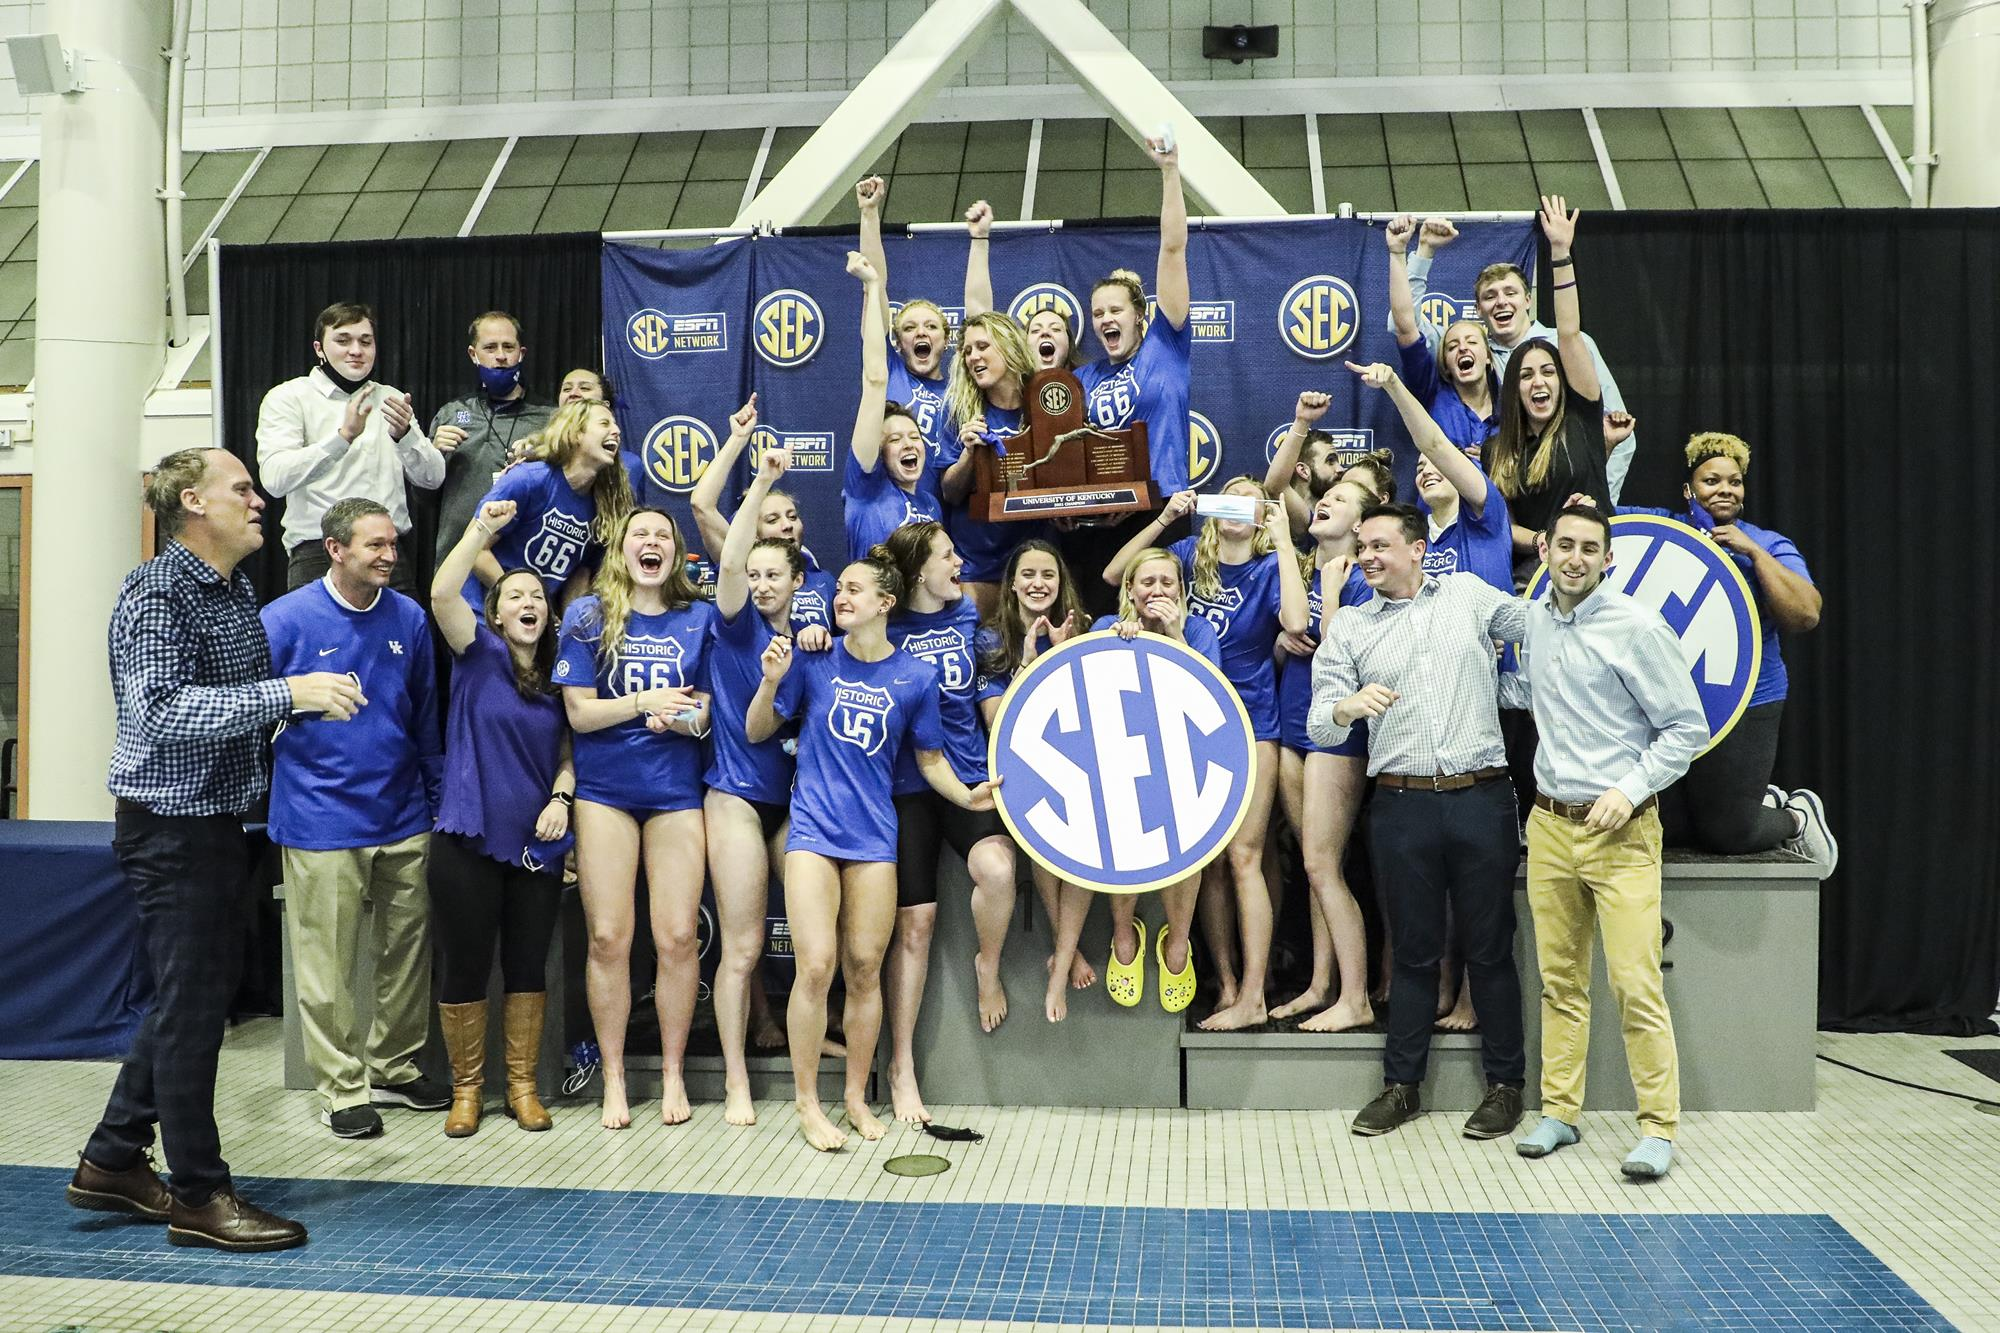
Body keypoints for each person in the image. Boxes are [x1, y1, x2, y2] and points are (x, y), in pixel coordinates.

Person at [67, 449, 346, 1252]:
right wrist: (286, 693)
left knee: (189, 1000)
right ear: (192, 502)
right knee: (192, 1013)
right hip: (169, 829)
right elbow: (159, 712)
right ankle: (198, 1193)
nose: (259, 501)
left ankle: (115, 1157)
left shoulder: (232, 589)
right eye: (242, 489)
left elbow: (225, 708)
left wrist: (287, 715)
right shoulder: (157, 593)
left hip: (221, 825)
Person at [745, 555, 999, 1151]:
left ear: (886, 603)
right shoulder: (812, 657)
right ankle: (808, 1103)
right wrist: (771, 680)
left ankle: (856, 1097)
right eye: (839, 588)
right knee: (815, 966)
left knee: (864, 970)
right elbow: (758, 730)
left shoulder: (914, 677)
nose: (842, 597)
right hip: (812, 833)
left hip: (874, 838)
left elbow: (930, 760)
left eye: (854, 589)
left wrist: (967, 797)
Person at [1308, 502, 1530, 1142]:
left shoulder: (1466, 594)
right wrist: (1348, 707)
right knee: (1412, 952)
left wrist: (1568, 582)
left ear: (1417, 549)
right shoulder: (1350, 626)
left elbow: (1537, 624)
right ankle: (1401, 1087)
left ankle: (1505, 1087)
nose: (1368, 557)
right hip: (1401, 805)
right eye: (1362, 547)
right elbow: (1320, 720)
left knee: (1490, 949)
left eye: (1379, 546)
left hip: (1481, 797)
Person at [1508, 504, 1709, 1179]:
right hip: (1549, 827)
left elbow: (1686, 727)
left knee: (1634, 982)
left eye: (1589, 548)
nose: (1574, 557)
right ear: (1545, 549)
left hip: (1622, 831)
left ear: (1608, 559)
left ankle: (1658, 1128)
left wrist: (1628, 789)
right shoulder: (1534, 618)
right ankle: (1559, 1113)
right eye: (1564, 544)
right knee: (1561, 983)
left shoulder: (1637, 628)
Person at [261, 498, 446, 1139]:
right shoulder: (284, 619)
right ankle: (342, 1089)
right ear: (336, 549)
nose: (389, 556)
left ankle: (394, 1065)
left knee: (407, 952)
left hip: (401, 813)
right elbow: (254, 711)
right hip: (319, 818)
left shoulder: (410, 618)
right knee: (326, 962)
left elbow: (423, 715)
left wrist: (433, 798)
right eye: (375, 546)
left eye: (392, 544)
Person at [1352, 357, 1521, 1028]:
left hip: (1497, 714)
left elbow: (1436, 444)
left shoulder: (1485, 522)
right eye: (1421, 473)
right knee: (1423, 874)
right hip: (1420, 731)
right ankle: (1442, 985)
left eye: (1440, 465)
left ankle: (1477, 995)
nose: (1429, 470)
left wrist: (1394, 386)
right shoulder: (1404, 551)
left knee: (1483, 882)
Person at [1106, 480, 1306, 1029]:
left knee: (1245, 857)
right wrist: (1168, 519)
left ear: (1262, 513)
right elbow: (1115, 575)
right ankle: (1226, 981)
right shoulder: (1193, 555)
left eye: (1251, 499)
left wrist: (1285, 539)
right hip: (1184, 722)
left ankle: (1255, 993)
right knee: (1206, 861)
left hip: (1250, 722)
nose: (1237, 505)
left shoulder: (1268, 568)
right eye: (1229, 496)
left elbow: (1295, 623)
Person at [554, 508, 711, 1130]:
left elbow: (705, 715)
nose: (652, 542)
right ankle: (615, 1075)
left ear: (675, 551)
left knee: (676, 937)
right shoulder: (587, 615)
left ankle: (673, 1071)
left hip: (674, 792)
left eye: (663, 535)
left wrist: (680, 718)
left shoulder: (697, 618)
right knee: (608, 938)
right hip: (605, 792)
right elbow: (579, 715)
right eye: (640, 533)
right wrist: (641, 703)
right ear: (621, 549)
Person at [1616, 433, 1836, 871]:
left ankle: (1794, 817)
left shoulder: (1767, 543)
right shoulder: (1661, 527)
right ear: (1689, 489)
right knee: (1669, 829)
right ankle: (1756, 797)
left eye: (1734, 482)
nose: (1724, 490)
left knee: (1728, 834)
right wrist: (1603, 450)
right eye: (1711, 480)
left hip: (1747, 699)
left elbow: (1806, 614)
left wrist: (1751, 551)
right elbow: (1596, 521)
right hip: (1665, 707)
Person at [427, 500, 574, 1137]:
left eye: (537, 595)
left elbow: (571, 755)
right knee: (463, 963)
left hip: (537, 843)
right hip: (467, 835)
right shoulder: (476, 655)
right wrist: (482, 530)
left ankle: (520, 1087)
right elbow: (440, 592)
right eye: (515, 594)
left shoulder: (562, 676)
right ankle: (467, 1091)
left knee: (526, 965)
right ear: (495, 612)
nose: (528, 602)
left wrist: (561, 799)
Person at [704, 446, 832, 1126]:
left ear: (794, 578)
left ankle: (819, 1027)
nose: (758, 582)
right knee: (744, 945)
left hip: (796, 801)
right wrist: (761, 481)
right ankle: (734, 1081)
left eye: (770, 574)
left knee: (820, 941)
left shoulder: (815, 636)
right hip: (734, 793)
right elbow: (727, 561)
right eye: (751, 573)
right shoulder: (734, 623)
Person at [877, 521, 1018, 1122]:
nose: (959, 562)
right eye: (946, 556)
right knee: (915, 925)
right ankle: (902, 1065)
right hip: (905, 789)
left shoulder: (969, 616)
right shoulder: (881, 627)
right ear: (917, 576)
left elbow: (999, 687)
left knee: (998, 869)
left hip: (965, 780)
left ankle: (988, 964)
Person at [1400, 215, 1641, 500]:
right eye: (1490, 296)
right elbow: (1404, 322)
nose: (1501, 302)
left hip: (1571, 497)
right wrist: (1424, 251)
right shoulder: (1474, 349)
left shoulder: (1569, 346)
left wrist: (1599, 502)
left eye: (1510, 293)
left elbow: (1617, 432)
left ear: (1528, 300)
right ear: (1478, 309)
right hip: (1508, 503)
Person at [1058, 133, 1194, 610]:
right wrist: (1068, 507)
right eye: (1097, 314)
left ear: (1141, 314)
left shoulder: (1167, 346)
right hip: (1099, 525)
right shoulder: (1083, 380)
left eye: (1115, 310)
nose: (1105, 320)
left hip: (1161, 512)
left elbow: (1173, 250)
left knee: (1159, 625)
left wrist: (1170, 171)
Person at [1091, 548, 1224, 1015]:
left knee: (1188, 844)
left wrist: (1174, 638)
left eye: (1168, 583)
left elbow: (1209, 703)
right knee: (1123, 837)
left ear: (1181, 590)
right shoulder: (1103, 629)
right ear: (1130, 589)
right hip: (1119, 761)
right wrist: (1118, 644)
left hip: (1184, 761)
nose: (1158, 592)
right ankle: (1124, 931)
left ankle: (1179, 942)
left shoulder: (1199, 632)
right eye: (1147, 583)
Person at [1269, 478, 1377, 1033]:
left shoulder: (1361, 578)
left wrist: (1332, 597)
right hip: (1292, 720)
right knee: (1314, 865)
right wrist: (1281, 646)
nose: (1326, 500)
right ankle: (1320, 984)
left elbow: (1346, 655)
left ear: (1360, 526)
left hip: (1336, 734)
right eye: (1325, 494)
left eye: (1341, 499)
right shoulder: (1303, 569)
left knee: (1323, 864)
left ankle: (1355, 997)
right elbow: (1288, 632)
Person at [975, 540, 1094, 1023]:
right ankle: (1066, 951)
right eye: (1028, 574)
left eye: (1048, 574)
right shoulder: (989, 638)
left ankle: (1061, 963)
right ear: (1012, 583)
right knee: (1047, 839)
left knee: (1084, 844)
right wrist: (1027, 661)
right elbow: (996, 722)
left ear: (1061, 581)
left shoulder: (1078, 629)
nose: (1038, 584)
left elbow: (1090, 712)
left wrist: (1066, 654)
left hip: (1077, 762)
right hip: (1021, 769)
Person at [255, 301, 442, 591]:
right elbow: (275, 480)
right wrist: (343, 437)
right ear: (319, 349)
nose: (356, 350)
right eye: (343, 340)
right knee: (321, 638)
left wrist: (405, 435)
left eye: (365, 341)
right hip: (320, 553)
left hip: (389, 553)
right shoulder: (289, 397)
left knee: (402, 636)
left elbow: (433, 478)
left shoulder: (390, 397)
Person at [1485, 198, 1615, 567]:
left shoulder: (1582, 419)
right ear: (1514, 391)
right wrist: (1546, 539)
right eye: (1526, 375)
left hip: (1597, 566)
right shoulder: (1496, 449)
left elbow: (1570, 333)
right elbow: (1504, 528)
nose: (1538, 382)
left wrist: (1560, 252)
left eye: (1547, 372)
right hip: (1535, 571)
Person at [855, 175, 994, 466]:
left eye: (931, 327)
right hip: (894, 499)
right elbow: (874, 285)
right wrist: (869, 214)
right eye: (909, 328)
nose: (921, 332)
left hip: (943, 502)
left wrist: (980, 239)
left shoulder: (962, 386)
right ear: (899, 342)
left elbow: (981, 318)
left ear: (946, 342)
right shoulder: (889, 371)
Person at [462, 399, 633, 611]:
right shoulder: (527, 480)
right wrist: (517, 598)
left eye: (616, 425)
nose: (616, 431)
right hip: (482, 610)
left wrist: (569, 624)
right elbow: (474, 549)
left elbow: (580, 573)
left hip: (534, 620)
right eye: (605, 423)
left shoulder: (603, 508)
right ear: (575, 433)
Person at [691, 393, 837, 635]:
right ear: (753, 534)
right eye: (772, 519)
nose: (787, 525)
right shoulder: (742, 566)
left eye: (792, 516)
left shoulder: (824, 580)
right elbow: (701, 504)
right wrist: (738, 439)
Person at [937, 311, 1044, 615]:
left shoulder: (1044, 403)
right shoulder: (959, 411)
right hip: (977, 564)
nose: (973, 357)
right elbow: (950, 492)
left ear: (1009, 345)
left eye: (983, 346)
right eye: (967, 350)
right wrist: (970, 454)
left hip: (1034, 562)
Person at [431, 311, 556, 563]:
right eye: (490, 347)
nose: (501, 356)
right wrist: (433, 455)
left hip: (522, 562)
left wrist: (544, 454)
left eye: (508, 347)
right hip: (458, 561)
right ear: (473, 354)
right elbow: (424, 499)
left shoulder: (551, 419)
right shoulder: (451, 414)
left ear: (521, 353)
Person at [841, 252, 942, 562]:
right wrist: (873, 286)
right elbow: (874, 378)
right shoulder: (864, 488)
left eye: (914, 437)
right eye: (895, 440)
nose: (909, 444)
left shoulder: (932, 505)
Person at [1384, 215, 1497, 455]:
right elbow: (1404, 324)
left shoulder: (1510, 401)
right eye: (1452, 346)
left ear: (1489, 356)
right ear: (1444, 362)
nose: (1463, 348)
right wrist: (1402, 251)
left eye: (1472, 341)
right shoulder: (1432, 390)